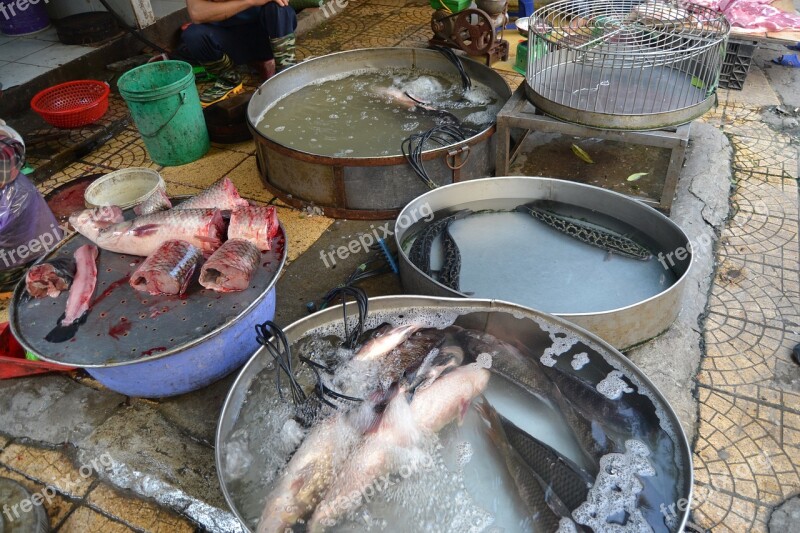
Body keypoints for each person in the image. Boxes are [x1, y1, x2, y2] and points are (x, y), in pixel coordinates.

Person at [182, 0, 298, 106]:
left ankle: (286, 72)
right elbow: (197, 13)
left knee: (279, 8)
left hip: (267, 37)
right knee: (193, 35)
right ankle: (229, 79)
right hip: (229, 43)